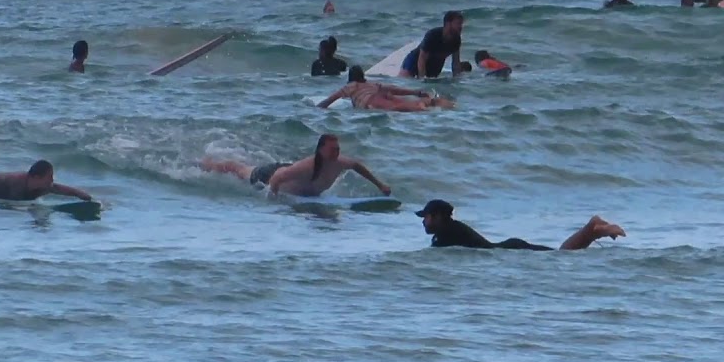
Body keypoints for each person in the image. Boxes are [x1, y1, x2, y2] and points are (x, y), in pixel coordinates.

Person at [200, 134, 391, 197]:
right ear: (321, 150)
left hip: (289, 174)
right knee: (240, 170)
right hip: (271, 174)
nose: (337, 153)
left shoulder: (340, 163)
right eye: (332, 149)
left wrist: (380, 184)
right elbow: (276, 179)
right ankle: (208, 164)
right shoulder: (305, 167)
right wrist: (272, 198)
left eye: (338, 149)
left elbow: (357, 166)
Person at [416, 199, 625, 251]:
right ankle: (591, 229)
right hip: (509, 247)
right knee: (559, 255)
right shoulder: (454, 228)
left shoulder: (443, 234)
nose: (423, 222)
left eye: (426, 217)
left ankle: (592, 230)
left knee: (563, 255)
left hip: (509, 251)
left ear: (437, 216)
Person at [0, 147, 93, 201]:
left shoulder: (43, 186)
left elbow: (63, 189)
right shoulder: (8, 180)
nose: (52, 181)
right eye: (49, 177)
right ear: (36, 177)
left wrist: (82, 195)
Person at [317, 65, 455, 112]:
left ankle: (422, 106)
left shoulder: (351, 86)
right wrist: (416, 92)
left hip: (372, 100)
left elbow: (330, 100)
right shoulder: (371, 84)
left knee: (399, 108)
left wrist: (316, 108)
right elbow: (394, 89)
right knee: (402, 105)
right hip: (382, 94)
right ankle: (441, 103)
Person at [399, 11, 464, 78]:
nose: (461, 27)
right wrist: (421, 79)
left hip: (434, 66)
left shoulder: (456, 39)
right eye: (458, 24)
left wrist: (456, 80)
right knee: (405, 81)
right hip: (415, 61)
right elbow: (422, 58)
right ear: (448, 24)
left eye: (461, 24)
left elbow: (456, 63)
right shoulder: (433, 35)